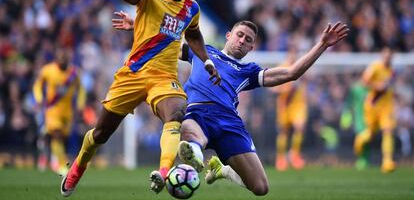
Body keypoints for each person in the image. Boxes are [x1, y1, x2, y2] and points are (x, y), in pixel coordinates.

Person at [111, 12, 349, 195]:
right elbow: (164, 45)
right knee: (189, 127)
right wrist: (137, 26)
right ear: (229, 35)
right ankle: (193, 151)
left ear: (251, 48)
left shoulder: (248, 71)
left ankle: (219, 169)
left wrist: (322, 45)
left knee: (260, 188)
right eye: (240, 35)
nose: (242, 41)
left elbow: (291, 73)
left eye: (248, 40)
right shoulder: (202, 51)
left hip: (229, 123)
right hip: (198, 111)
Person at [61, 0, 221, 197]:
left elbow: (194, 35)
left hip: (164, 76)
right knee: (101, 134)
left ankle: (164, 171)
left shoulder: (191, 8)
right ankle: (79, 165)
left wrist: (206, 60)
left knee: (177, 112)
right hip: (133, 74)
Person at [33, 48, 85, 175]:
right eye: (60, 58)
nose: (62, 61)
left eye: (65, 58)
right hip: (52, 110)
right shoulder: (48, 70)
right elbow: (38, 85)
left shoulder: (73, 73)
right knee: (57, 134)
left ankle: (46, 133)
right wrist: (39, 98)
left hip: (67, 111)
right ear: (56, 59)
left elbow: (81, 89)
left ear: (68, 59)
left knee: (62, 138)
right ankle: (62, 166)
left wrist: (80, 104)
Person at [353, 46, 396, 173]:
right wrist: (377, 86)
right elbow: (364, 82)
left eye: (390, 56)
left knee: (388, 130)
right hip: (372, 107)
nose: (388, 58)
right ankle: (359, 141)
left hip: (386, 107)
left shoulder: (392, 71)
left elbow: (389, 88)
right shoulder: (375, 67)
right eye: (386, 56)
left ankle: (387, 161)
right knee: (370, 135)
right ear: (382, 56)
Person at [271, 48, 308, 171]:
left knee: (300, 127)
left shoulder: (301, 67)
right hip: (284, 105)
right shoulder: (282, 67)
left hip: (298, 105)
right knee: (284, 132)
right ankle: (281, 158)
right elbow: (272, 88)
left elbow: (304, 83)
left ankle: (294, 155)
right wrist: (285, 90)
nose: (294, 56)